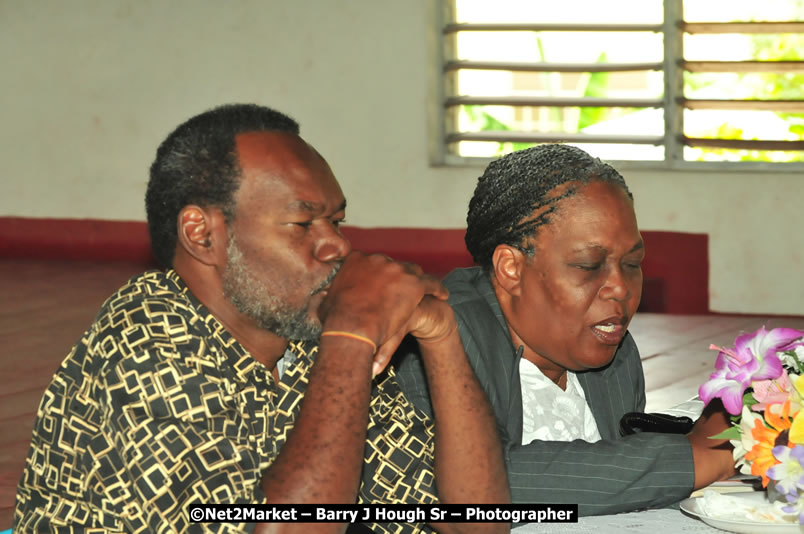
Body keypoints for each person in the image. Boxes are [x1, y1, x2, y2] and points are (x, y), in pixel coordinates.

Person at [14, 104, 510, 534]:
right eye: (302, 223)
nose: (337, 244)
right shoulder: (146, 342)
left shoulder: (306, 331)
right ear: (202, 234)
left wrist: (441, 335)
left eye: (336, 221)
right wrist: (351, 332)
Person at [394, 144, 735, 517]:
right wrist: (691, 459)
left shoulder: (612, 350)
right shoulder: (435, 339)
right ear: (511, 268)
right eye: (589, 265)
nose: (620, 288)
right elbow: (476, 486)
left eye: (632, 263)